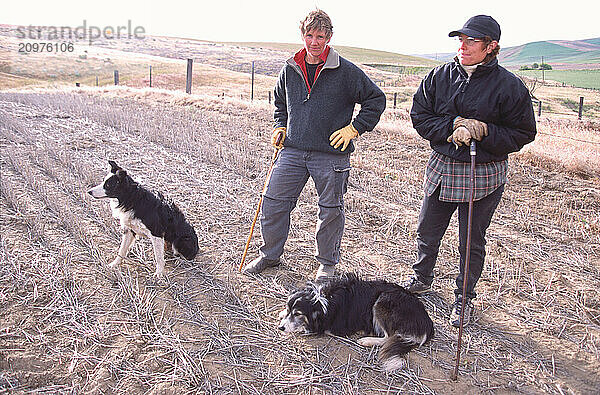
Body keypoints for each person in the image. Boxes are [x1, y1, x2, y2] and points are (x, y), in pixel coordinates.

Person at [406, 15, 536, 327]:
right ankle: (422, 279)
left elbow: (523, 133)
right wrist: (451, 126)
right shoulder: (439, 76)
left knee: (471, 241)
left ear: (492, 47)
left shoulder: (510, 87)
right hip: (442, 167)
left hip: (484, 174)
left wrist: (485, 131)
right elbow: (419, 115)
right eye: (461, 40)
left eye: (472, 41)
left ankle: (464, 298)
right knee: (427, 230)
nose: (463, 46)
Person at [242, 9, 386, 280]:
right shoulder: (290, 68)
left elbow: (376, 100)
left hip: (331, 155)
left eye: (320, 36)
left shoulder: (346, 71)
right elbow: (280, 103)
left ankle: (327, 264)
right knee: (273, 202)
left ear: (329, 37)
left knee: (330, 211)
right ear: (303, 35)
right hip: (293, 150)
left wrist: (355, 128)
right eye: (310, 35)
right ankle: (269, 255)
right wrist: (280, 126)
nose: (314, 42)